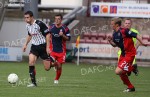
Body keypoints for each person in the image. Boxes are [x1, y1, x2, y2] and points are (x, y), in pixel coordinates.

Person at [107, 18, 147, 92]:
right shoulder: (114, 33)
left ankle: (132, 68)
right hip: (123, 54)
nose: (111, 25)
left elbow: (136, 35)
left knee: (117, 71)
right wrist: (110, 41)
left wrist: (143, 42)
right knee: (121, 73)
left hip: (129, 54)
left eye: (112, 24)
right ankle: (131, 87)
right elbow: (115, 45)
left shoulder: (124, 30)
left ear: (116, 25)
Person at [23, 11, 51, 87]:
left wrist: (48, 47)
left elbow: (48, 35)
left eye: (27, 17)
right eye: (25, 18)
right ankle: (33, 83)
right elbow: (29, 35)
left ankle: (53, 62)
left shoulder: (39, 24)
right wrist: (25, 44)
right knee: (31, 62)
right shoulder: (27, 26)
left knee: (47, 68)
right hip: (34, 47)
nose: (26, 19)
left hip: (43, 46)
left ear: (32, 17)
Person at [49, 14, 71, 84]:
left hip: (61, 50)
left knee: (59, 66)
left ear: (61, 20)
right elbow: (47, 35)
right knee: (49, 65)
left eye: (58, 19)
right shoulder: (51, 27)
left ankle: (56, 79)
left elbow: (68, 38)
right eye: (55, 19)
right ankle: (54, 64)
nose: (57, 20)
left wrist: (62, 35)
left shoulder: (65, 28)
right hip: (52, 49)